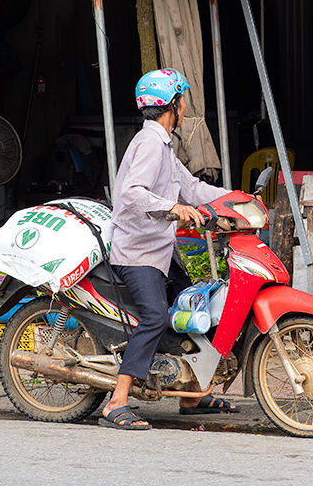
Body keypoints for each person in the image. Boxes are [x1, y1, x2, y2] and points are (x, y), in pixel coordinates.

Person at [100, 68, 240, 431]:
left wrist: (234, 199)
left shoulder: (163, 144)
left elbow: (191, 187)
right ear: (173, 104)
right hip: (138, 251)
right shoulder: (149, 144)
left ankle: (193, 393)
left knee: (193, 309)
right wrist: (173, 208)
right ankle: (116, 401)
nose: (184, 107)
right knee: (155, 317)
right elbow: (132, 193)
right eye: (182, 101)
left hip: (161, 247)